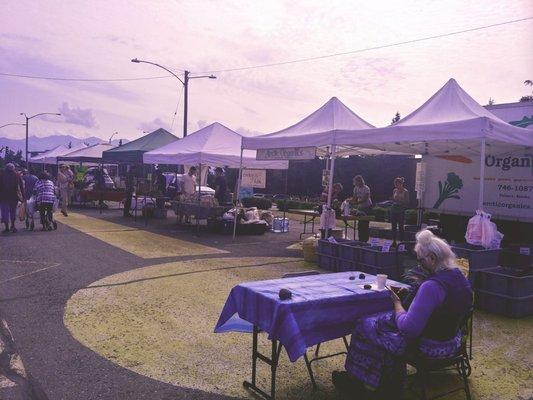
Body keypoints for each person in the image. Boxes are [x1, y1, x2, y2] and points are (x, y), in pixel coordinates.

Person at [332, 230, 473, 398]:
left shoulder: (432, 286)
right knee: (381, 327)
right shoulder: (460, 278)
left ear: (433, 258)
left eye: (421, 261)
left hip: (428, 347)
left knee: (366, 324)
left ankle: (356, 382)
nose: (419, 265)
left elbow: (408, 329)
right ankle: (386, 381)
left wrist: (397, 303)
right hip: (453, 342)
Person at [0, 163, 24, 233]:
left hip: (3, 197)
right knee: (13, 211)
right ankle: (13, 226)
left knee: (5, 212)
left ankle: (7, 227)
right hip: (14, 197)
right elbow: (21, 186)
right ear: (13, 168)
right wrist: (23, 196)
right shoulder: (17, 175)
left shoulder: (1, 174)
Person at [353, 175, 372, 242]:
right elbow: (354, 198)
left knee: (365, 223)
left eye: (356, 182)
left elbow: (365, 199)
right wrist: (350, 201)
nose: (355, 183)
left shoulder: (366, 188)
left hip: (367, 206)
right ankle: (360, 239)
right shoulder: (355, 188)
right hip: (360, 207)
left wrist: (356, 202)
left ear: (359, 181)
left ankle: (365, 240)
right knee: (360, 224)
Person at [391, 177, 410, 244]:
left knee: (401, 226)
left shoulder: (405, 191)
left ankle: (401, 241)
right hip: (394, 209)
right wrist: (393, 200)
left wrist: (400, 200)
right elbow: (393, 199)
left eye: (397, 184)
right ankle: (394, 241)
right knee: (393, 226)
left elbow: (407, 201)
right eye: (395, 184)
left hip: (401, 210)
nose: (396, 186)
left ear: (401, 184)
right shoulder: (394, 190)